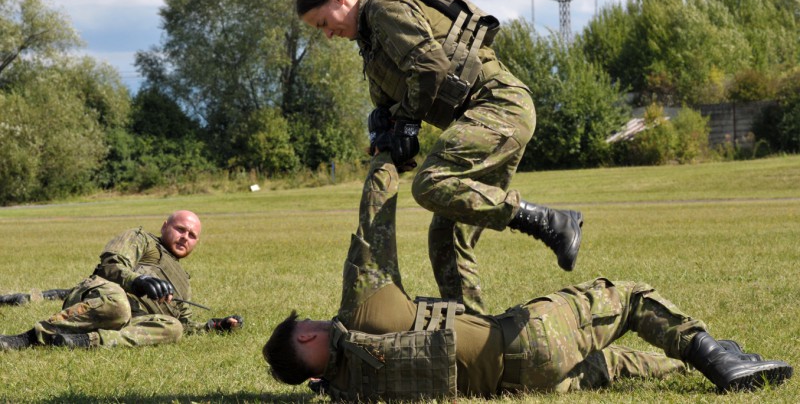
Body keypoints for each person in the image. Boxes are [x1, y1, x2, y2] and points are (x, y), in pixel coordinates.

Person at [263, 154, 793, 398]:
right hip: (526, 338)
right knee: (627, 298)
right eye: (309, 320)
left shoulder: (351, 390)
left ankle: (706, 365)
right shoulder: (357, 313)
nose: (318, 318)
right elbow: (372, 218)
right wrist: (387, 153)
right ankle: (716, 358)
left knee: (614, 362)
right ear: (306, 333)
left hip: (526, 383)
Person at [295, 0, 583, 315]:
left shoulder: (384, 8)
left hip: (500, 106)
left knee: (431, 184)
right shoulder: (370, 40)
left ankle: (551, 222)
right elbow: (398, 95)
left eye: (323, 23)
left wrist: (407, 124)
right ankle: (477, 339)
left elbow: (430, 65)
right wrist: (386, 122)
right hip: (489, 115)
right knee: (445, 239)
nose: (327, 34)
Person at [0, 210, 243, 350]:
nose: (185, 238)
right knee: (119, 305)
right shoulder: (142, 240)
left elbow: (185, 323)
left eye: (192, 236)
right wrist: (137, 280)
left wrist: (215, 326)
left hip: (129, 321)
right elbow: (110, 264)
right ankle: (30, 337)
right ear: (165, 225)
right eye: (180, 229)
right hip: (102, 297)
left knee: (174, 328)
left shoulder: (183, 282)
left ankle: (86, 341)